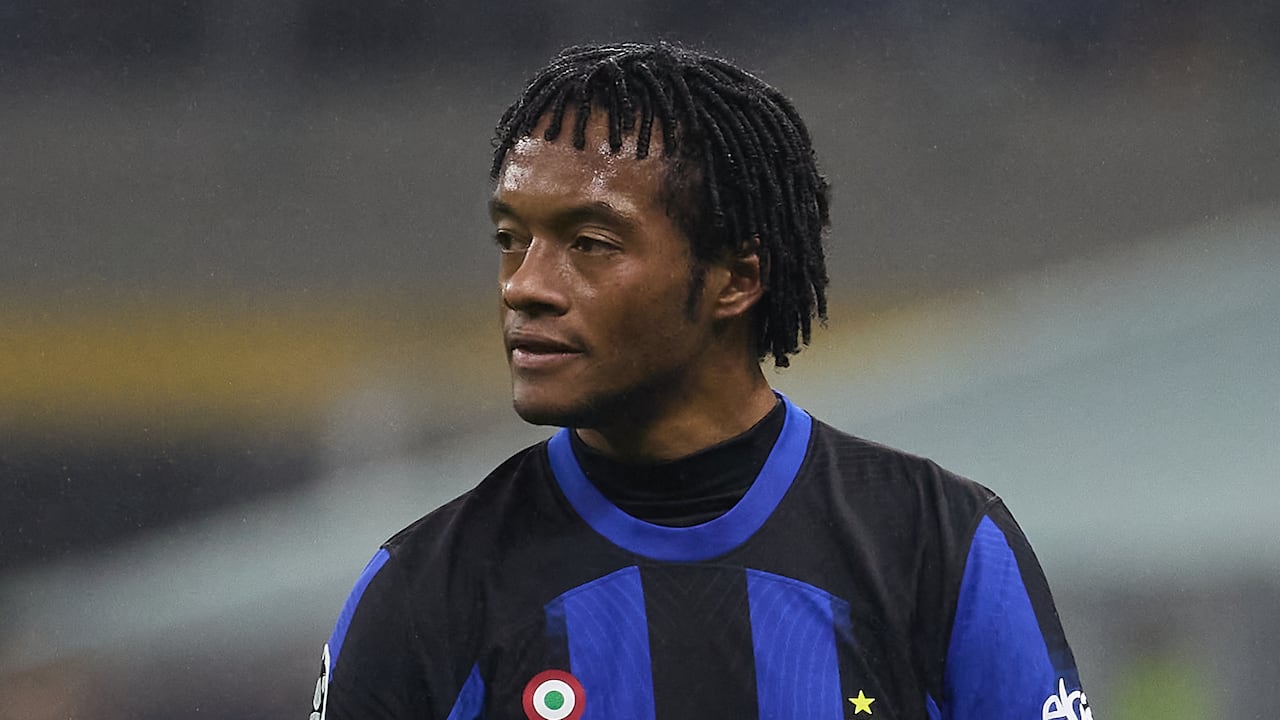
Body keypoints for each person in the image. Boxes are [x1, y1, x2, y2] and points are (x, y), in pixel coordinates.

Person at [311, 42, 1091, 720]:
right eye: (512, 240)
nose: (525, 286)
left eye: (588, 242)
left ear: (735, 279)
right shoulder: (426, 588)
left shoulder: (939, 546)